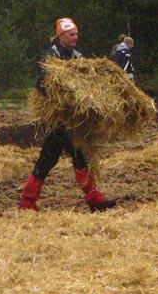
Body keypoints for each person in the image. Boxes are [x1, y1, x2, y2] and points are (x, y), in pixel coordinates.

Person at [18, 18, 116, 212]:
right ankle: (93, 198)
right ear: (61, 36)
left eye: (77, 34)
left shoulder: (78, 57)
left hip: (74, 119)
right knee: (73, 155)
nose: (75, 37)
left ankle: (28, 201)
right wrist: (63, 98)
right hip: (59, 119)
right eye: (71, 34)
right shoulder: (50, 57)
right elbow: (41, 83)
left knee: (49, 158)